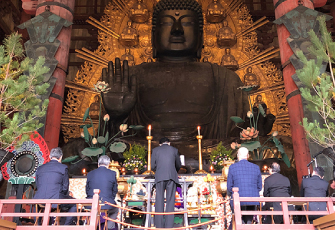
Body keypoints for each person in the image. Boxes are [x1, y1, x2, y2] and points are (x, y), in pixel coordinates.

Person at [102, 0, 249, 142]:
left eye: (187, 23)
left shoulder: (227, 80)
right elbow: (110, 143)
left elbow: (238, 136)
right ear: (153, 36)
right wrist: (116, 117)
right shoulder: (129, 78)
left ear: (201, 36)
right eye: (167, 23)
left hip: (211, 154)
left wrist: (255, 130)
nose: (177, 30)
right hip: (144, 156)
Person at [34, 147, 76, 225]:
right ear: (61, 157)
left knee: (36, 206)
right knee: (74, 203)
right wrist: (63, 195)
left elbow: (38, 184)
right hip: (56, 197)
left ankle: (38, 225)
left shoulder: (40, 168)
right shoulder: (63, 168)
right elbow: (65, 187)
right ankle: (65, 227)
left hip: (40, 198)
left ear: (50, 157)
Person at [151, 137, 182, 228]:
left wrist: (159, 170)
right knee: (170, 201)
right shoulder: (174, 150)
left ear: (160, 144)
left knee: (159, 200)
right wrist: (172, 171)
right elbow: (178, 165)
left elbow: (152, 166)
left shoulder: (155, 150)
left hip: (160, 177)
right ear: (169, 143)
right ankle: (169, 226)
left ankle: (159, 226)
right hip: (171, 177)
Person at [227, 147, 262, 226]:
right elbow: (259, 187)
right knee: (249, 217)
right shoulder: (256, 167)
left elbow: (229, 187)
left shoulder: (232, 167)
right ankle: (248, 224)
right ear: (248, 156)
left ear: (238, 155)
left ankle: (241, 224)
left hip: (238, 200)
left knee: (238, 217)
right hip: (252, 199)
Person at [86, 155, 118, 230]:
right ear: (108, 164)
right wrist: (110, 199)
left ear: (98, 164)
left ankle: (92, 225)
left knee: (93, 209)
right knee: (115, 209)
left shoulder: (90, 174)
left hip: (91, 203)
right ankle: (108, 227)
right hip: (106, 203)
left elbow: (87, 190)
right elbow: (115, 190)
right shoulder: (112, 173)